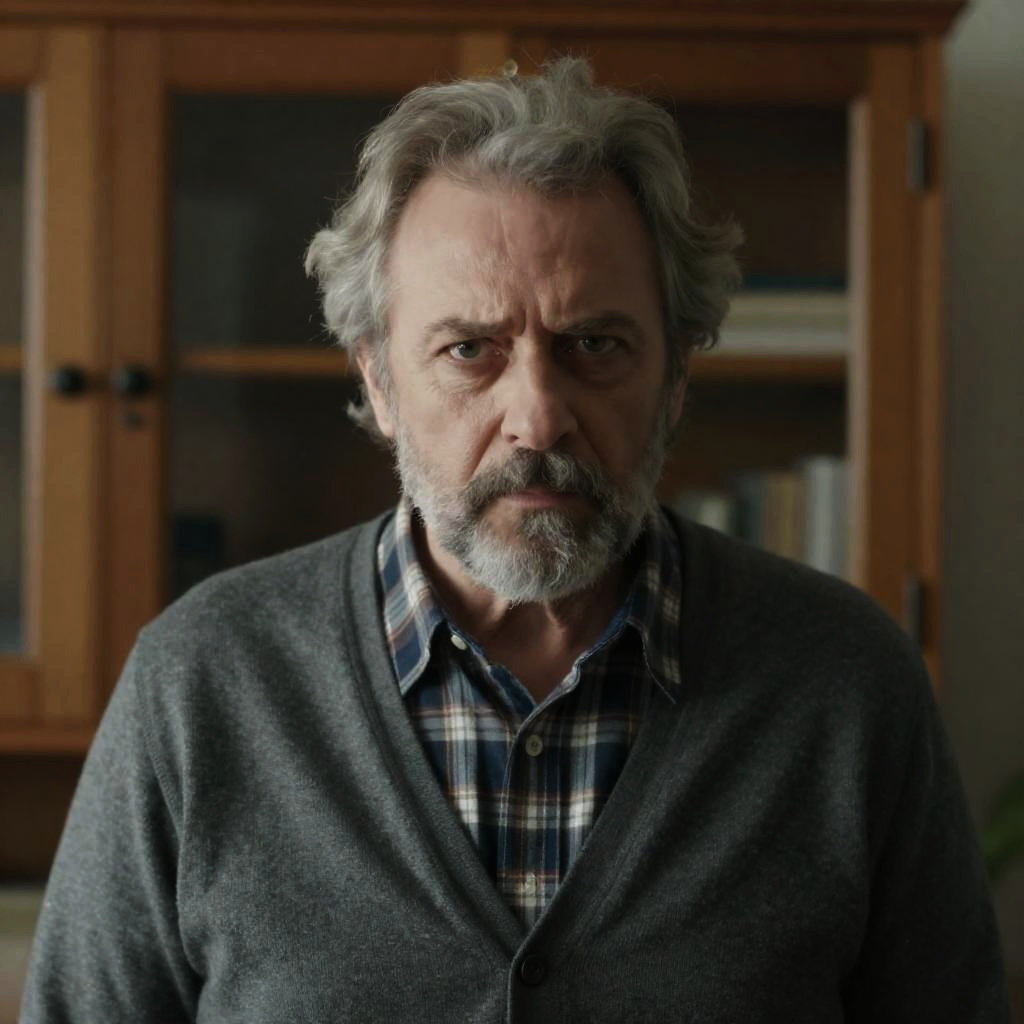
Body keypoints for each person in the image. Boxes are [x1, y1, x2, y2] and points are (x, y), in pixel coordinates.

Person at [22, 57, 1011, 1023]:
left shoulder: (845, 683)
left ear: (675, 376)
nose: (537, 417)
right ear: (377, 380)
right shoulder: (201, 681)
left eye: (595, 345)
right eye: (468, 349)